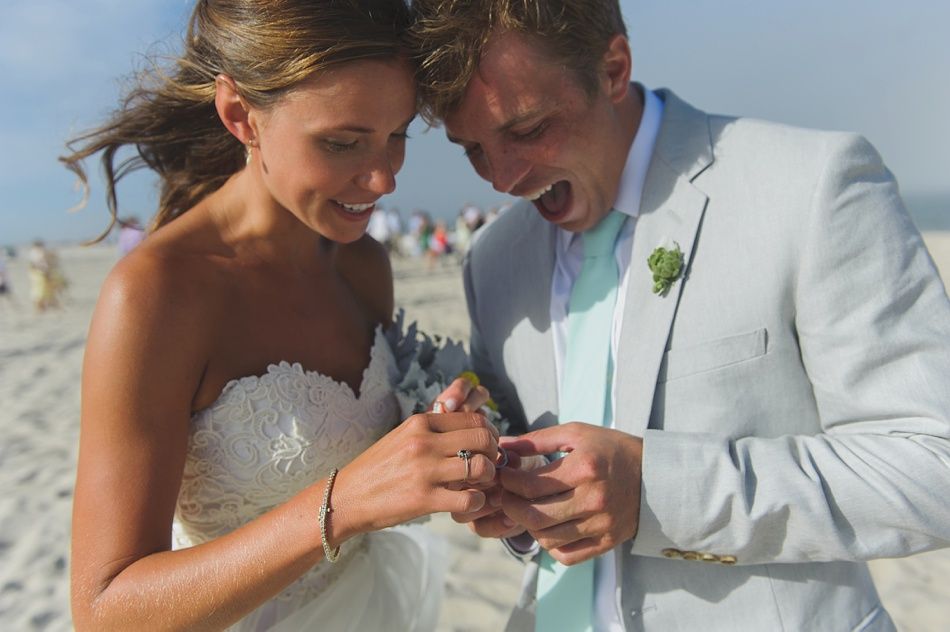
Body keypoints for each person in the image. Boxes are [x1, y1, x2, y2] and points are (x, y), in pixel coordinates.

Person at [410, 1, 950, 630]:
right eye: (471, 149)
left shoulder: (812, 188)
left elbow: (932, 464)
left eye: (527, 130)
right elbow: (523, 446)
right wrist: (493, 467)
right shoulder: (493, 258)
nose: (502, 180)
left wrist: (656, 492)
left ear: (613, 68)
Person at [61, 1, 499, 630]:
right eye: (342, 142)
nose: (382, 179)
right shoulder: (158, 296)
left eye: (398, 133)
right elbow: (104, 610)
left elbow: (359, 448)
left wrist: (431, 436)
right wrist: (343, 503)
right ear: (241, 115)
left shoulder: (364, 264)